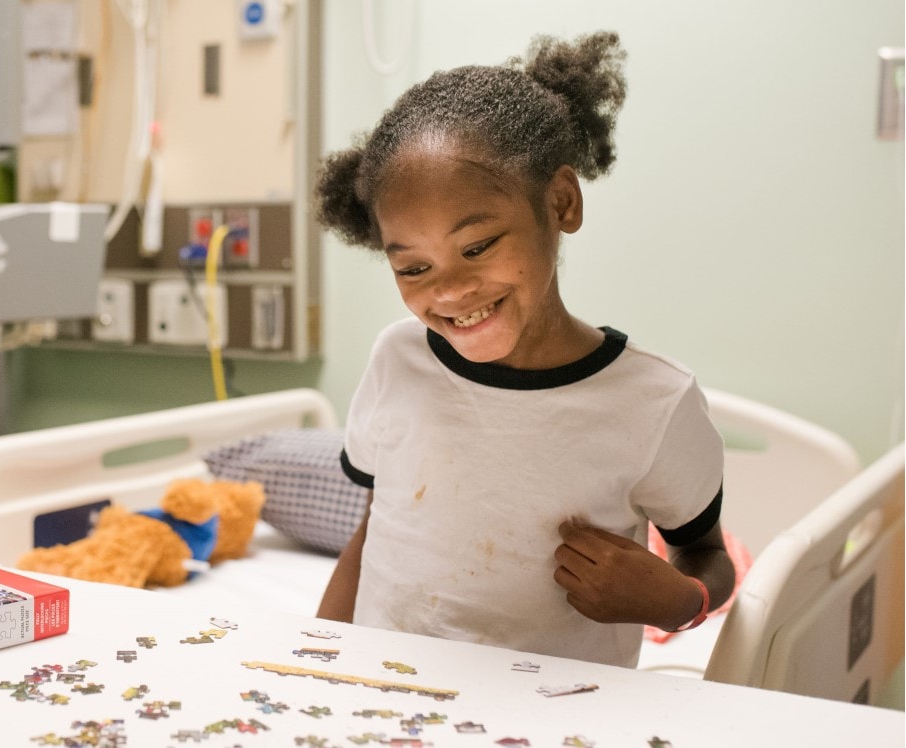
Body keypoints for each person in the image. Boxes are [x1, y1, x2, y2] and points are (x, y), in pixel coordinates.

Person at [314, 30, 734, 668]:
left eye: (478, 247)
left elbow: (706, 555)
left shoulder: (654, 403)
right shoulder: (397, 359)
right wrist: (318, 657)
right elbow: (374, 524)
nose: (451, 291)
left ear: (561, 202)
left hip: (557, 715)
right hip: (384, 700)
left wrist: (677, 601)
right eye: (413, 269)